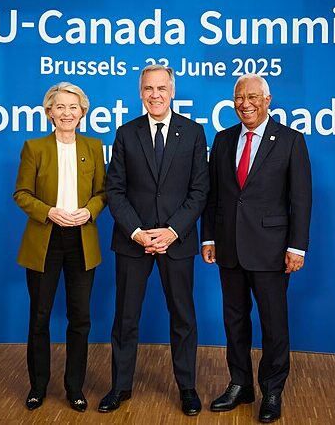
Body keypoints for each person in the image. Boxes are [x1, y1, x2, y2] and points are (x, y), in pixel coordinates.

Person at [201, 74, 312, 423]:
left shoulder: (291, 140)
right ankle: (240, 384)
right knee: (234, 321)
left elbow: (301, 200)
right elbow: (213, 195)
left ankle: (272, 390)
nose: (245, 104)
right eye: (239, 98)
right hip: (229, 248)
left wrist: (297, 247)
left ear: (267, 100)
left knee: (273, 324)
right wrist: (209, 238)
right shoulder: (223, 139)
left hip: (272, 250)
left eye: (252, 97)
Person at [99, 65, 209, 416]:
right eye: (148, 88)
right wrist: (137, 232)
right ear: (140, 92)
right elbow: (114, 190)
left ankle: (187, 388)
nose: (155, 94)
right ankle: (120, 387)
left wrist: (172, 230)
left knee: (183, 317)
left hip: (177, 240)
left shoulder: (193, 133)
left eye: (161, 88)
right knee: (125, 317)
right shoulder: (126, 133)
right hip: (133, 241)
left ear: (172, 91)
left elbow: (200, 190)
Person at [13, 82, 106, 412]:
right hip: (45, 240)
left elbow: (103, 193)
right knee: (39, 317)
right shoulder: (34, 147)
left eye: (73, 107)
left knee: (80, 319)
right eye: (60, 107)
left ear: (82, 112)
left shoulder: (94, 147)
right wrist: (49, 212)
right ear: (49, 112)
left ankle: (74, 387)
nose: (67, 113)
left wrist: (90, 211)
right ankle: (38, 386)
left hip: (81, 241)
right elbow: (21, 194)